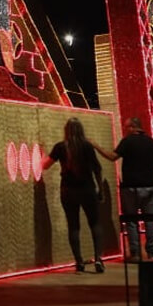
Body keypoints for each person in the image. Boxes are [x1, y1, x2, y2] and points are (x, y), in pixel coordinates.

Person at [39, 117, 106, 273]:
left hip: (68, 191)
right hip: (88, 189)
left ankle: (79, 262)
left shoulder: (60, 147)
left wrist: (41, 154)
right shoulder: (87, 146)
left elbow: (45, 166)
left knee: (73, 226)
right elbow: (97, 168)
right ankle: (98, 259)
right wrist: (101, 190)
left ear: (66, 130)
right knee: (95, 224)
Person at [93, 116, 153, 261]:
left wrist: (96, 146)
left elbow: (112, 157)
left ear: (132, 127)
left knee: (131, 221)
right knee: (150, 220)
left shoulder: (128, 141)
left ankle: (135, 254)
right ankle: (151, 253)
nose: (125, 130)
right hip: (150, 186)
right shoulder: (152, 142)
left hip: (131, 187)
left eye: (126, 127)